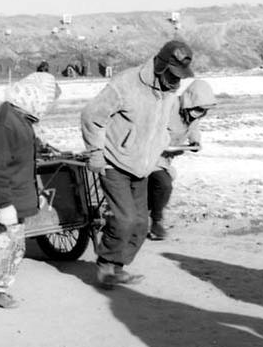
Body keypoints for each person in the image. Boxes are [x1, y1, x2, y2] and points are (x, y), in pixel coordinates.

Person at [80, 40, 194, 288]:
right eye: (173, 75)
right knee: (125, 219)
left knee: (141, 224)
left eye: (180, 77)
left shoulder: (168, 91)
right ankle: (105, 264)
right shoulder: (126, 84)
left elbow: (160, 127)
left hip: (143, 166)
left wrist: (167, 147)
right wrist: (95, 153)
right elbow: (92, 116)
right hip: (114, 161)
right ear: (161, 65)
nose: (177, 82)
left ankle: (116, 267)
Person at [0, 73, 61, 309]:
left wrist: (42, 147)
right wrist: (4, 204)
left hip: (13, 198)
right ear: (34, 96)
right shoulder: (5, 123)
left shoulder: (21, 117)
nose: (47, 107)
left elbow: (24, 145)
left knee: (15, 249)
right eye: (47, 102)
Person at [148, 79, 216, 240]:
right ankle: (156, 221)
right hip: (149, 154)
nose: (199, 113)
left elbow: (193, 128)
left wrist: (195, 141)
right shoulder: (169, 105)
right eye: (198, 108)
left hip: (165, 157)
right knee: (164, 184)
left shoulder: (192, 115)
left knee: (157, 188)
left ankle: (147, 216)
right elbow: (155, 127)